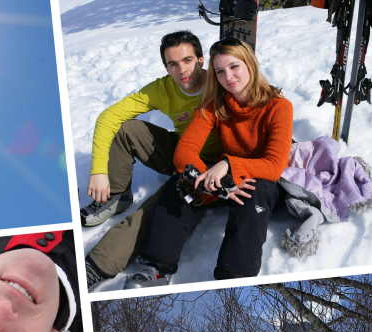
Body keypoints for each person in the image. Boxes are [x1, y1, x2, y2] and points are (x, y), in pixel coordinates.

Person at [126, 38, 293, 286]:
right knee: (179, 184)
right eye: (220, 71)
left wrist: (228, 165)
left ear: (250, 64)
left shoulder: (279, 107)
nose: (229, 76)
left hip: (264, 181)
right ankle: (157, 268)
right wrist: (204, 178)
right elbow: (185, 151)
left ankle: (233, 278)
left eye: (234, 66)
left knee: (253, 191)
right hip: (223, 181)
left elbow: (273, 165)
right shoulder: (214, 105)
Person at [82, 31, 226, 289]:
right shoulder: (163, 89)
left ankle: (97, 266)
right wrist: (99, 170)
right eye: (173, 64)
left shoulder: (222, 80)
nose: (182, 70)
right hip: (182, 152)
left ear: (202, 60)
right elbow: (108, 117)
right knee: (126, 129)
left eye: (188, 60)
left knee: (158, 206)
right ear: (166, 68)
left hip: (213, 168)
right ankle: (117, 195)